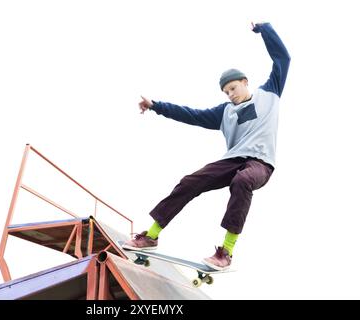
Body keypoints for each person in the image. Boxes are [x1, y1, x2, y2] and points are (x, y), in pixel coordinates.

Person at [122, 22, 291, 271]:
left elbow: (282, 58)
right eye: (226, 92)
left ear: (245, 82)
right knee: (190, 181)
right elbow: (191, 114)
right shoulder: (224, 113)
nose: (230, 94)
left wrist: (264, 29)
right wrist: (157, 106)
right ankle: (151, 235)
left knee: (243, 181)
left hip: (260, 164)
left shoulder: (270, 92)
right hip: (232, 159)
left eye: (233, 88)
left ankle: (226, 251)